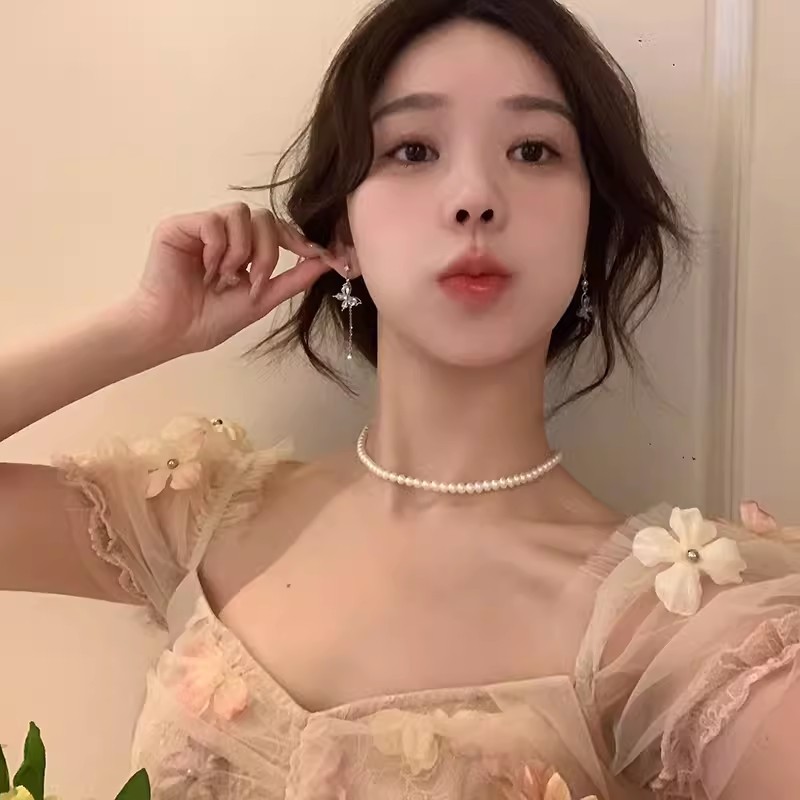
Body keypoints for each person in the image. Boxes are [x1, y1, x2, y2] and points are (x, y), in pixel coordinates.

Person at [2, 0, 799, 797]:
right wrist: (145, 327)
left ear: (590, 226)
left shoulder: (675, 631)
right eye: (413, 150)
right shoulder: (206, 514)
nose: (475, 197)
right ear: (343, 235)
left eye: (533, 149)